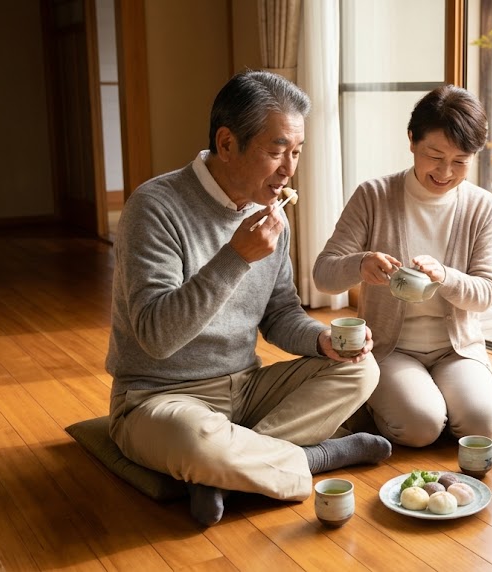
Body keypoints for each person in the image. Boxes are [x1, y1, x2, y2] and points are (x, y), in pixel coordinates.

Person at [105, 70, 391, 527]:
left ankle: (224, 472)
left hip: (246, 387)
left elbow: (280, 314)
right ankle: (318, 457)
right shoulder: (154, 207)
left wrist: (323, 342)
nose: (289, 169)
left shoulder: (272, 217)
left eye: (297, 152)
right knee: (196, 441)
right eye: (277, 150)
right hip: (158, 398)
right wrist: (235, 257)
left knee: (361, 370)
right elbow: (157, 337)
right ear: (226, 143)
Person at [313, 85, 492, 447]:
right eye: (435, 155)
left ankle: (441, 395)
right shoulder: (373, 196)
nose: (446, 172)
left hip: (456, 348)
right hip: (391, 347)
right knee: (421, 427)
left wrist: (445, 276)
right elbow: (323, 275)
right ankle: (384, 401)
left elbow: (485, 295)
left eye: (461, 161)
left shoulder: (482, 207)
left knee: (482, 426)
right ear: (412, 141)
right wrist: (361, 264)